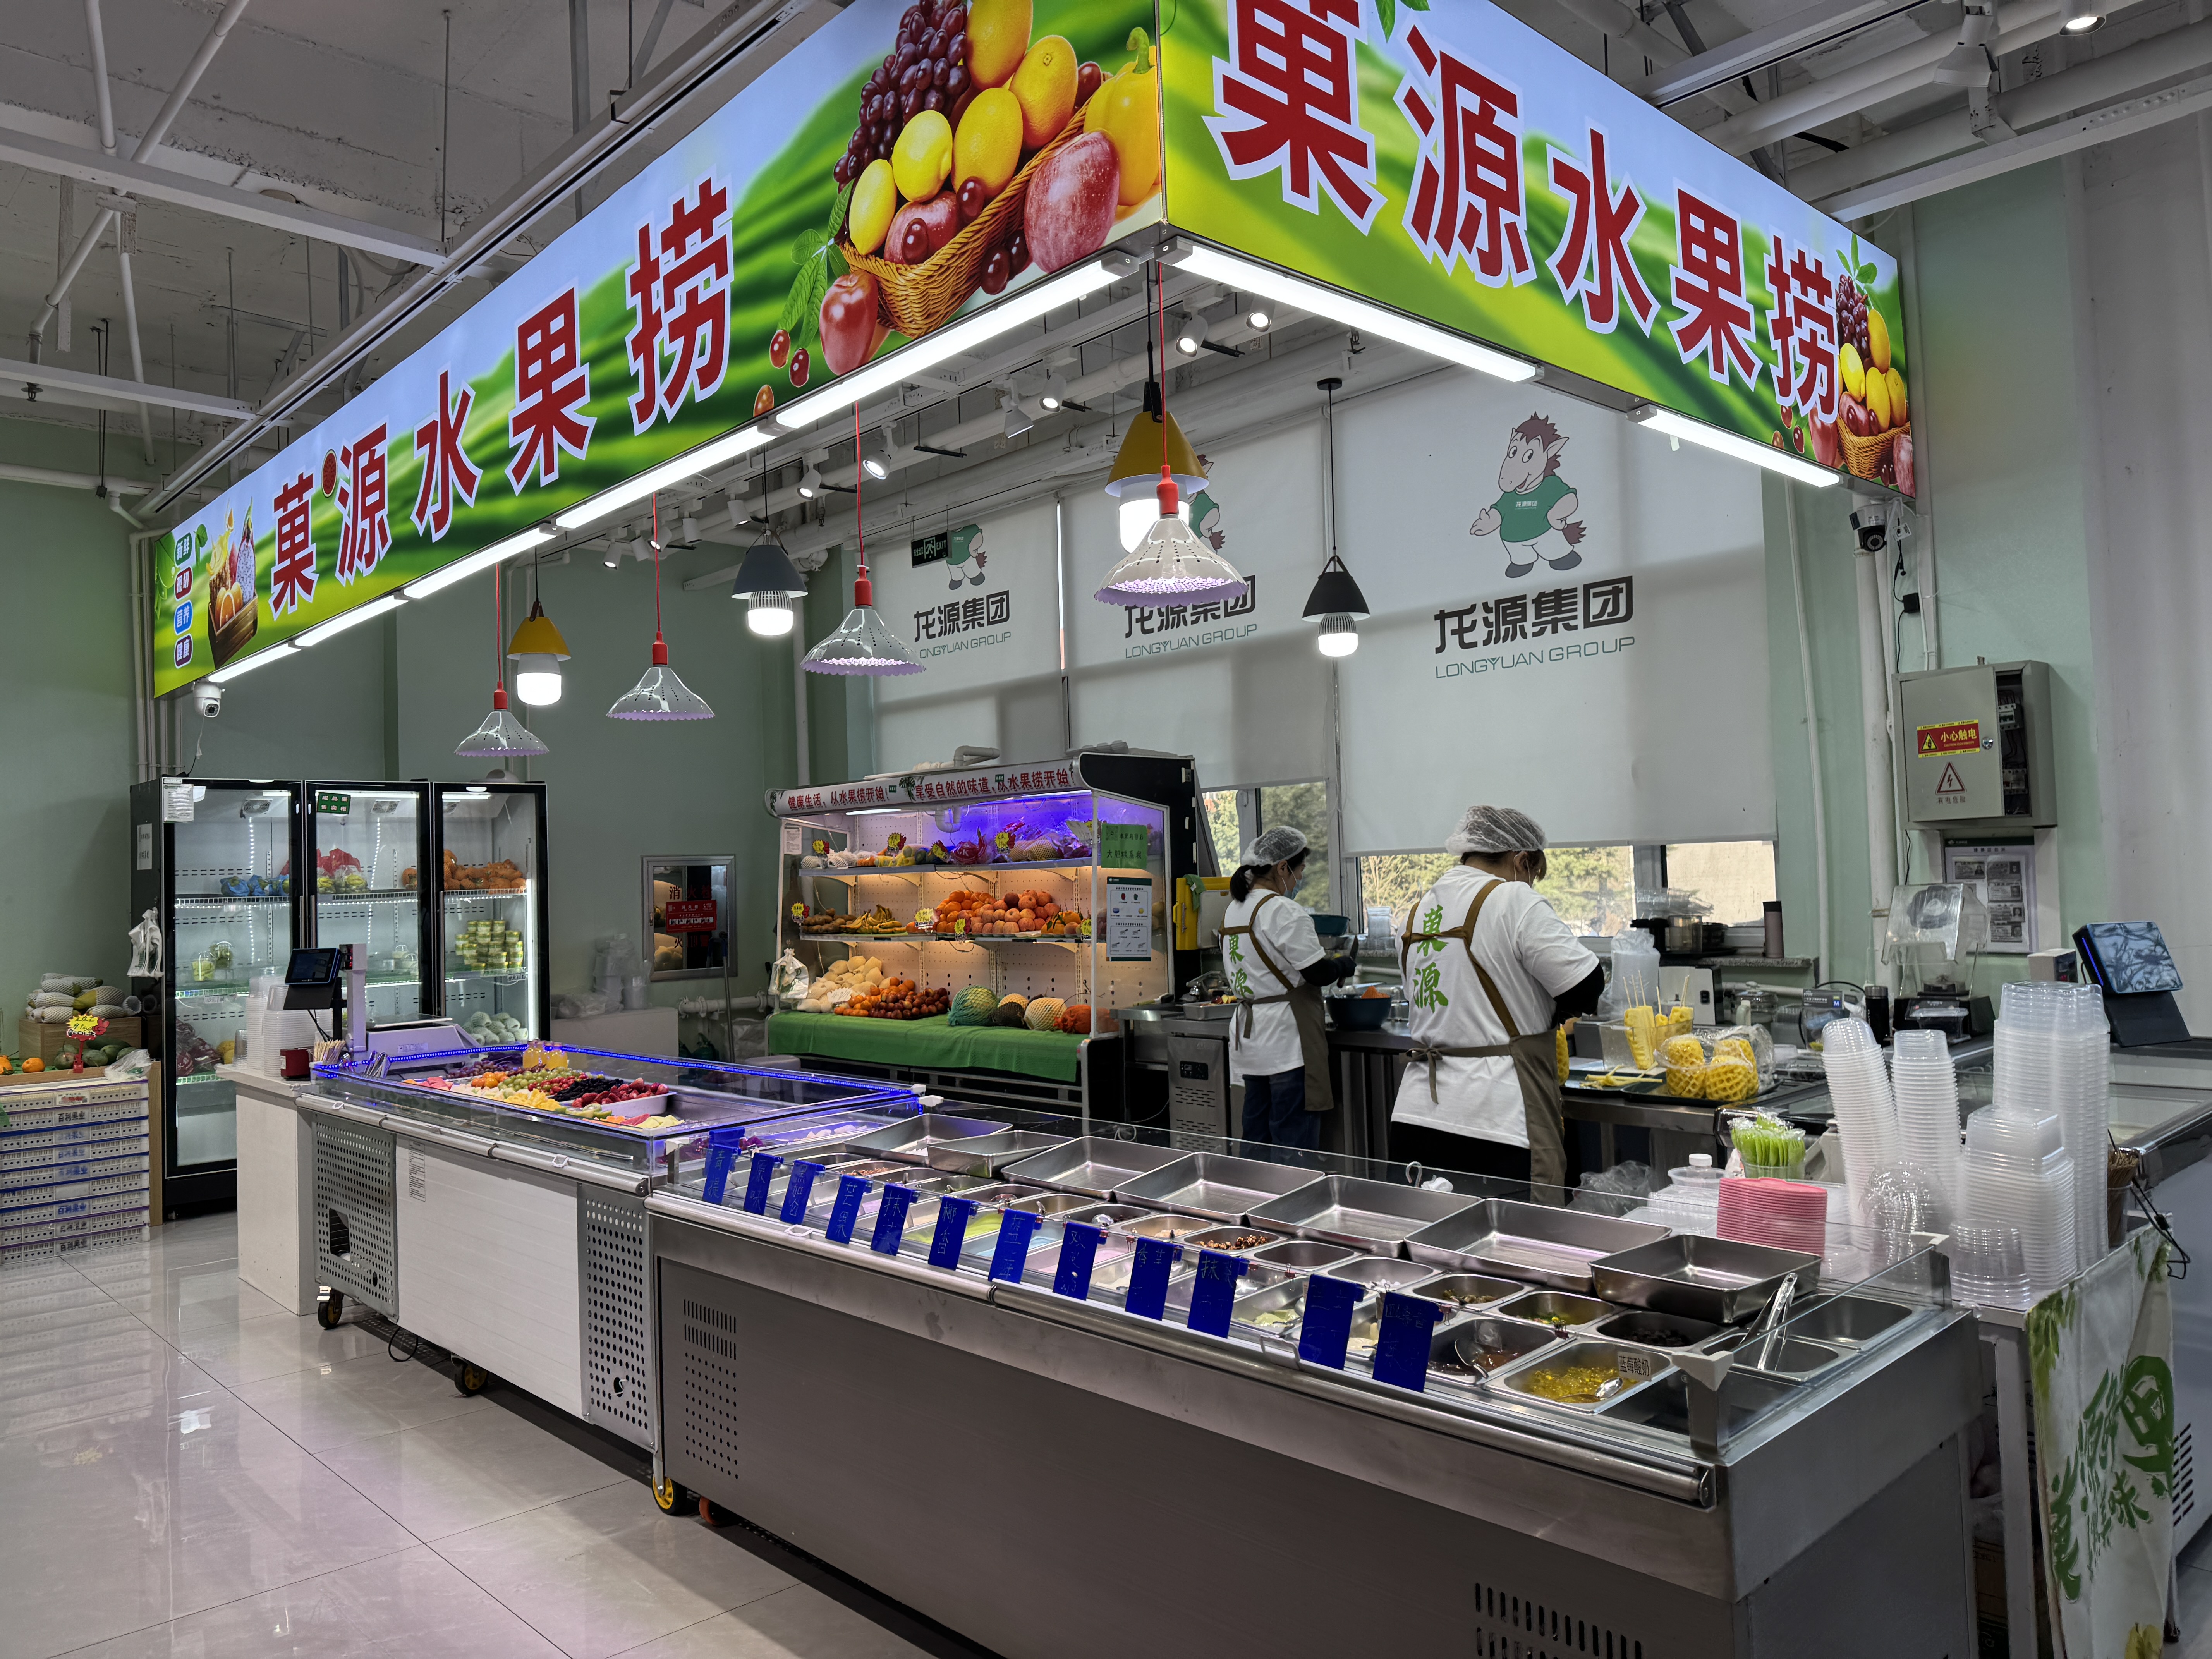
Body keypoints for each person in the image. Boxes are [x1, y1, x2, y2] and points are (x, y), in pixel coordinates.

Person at [1389, 806, 1606, 1195]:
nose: (1530, 884)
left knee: (1426, 1232)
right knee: (1512, 1234)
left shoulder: (1415, 914)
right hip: (1498, 1120)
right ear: (1521, 861)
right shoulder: (1514, 900)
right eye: (1533, 875)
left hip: (1416, 1117)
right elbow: (1586, 986)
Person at [1219, 827, 1356, 1153]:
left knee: (1256, 1133)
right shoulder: (1282, 910)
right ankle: (1293, 1189)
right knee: (1292, 1139)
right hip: (1286, 1039)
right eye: (1300, 870)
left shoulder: (1235, 909)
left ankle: (1251, 1188)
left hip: (1251, 1039)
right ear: (1283, 867)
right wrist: (1342, 965)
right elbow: (1316, 973)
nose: (1300, 879)